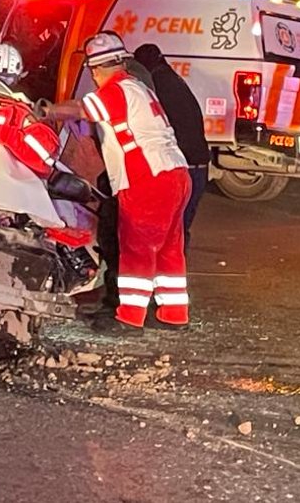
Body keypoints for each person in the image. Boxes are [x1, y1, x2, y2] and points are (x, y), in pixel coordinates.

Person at [44, 32, 191, 329]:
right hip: (175, 171)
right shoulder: (137, 87)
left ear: (96, 69)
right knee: (168, 249)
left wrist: (47, 111)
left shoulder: (115, 90)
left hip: (146, 178)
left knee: (137, 248)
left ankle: (130, 318)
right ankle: (173, 314)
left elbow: (83, 110)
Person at [133, 43, 212, 248]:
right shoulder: (173, 80)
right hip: (198, 165)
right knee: (178, 231)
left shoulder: (158, 85)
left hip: (183, 166)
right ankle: (174, 275)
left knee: (169, 234)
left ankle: (167, 275)